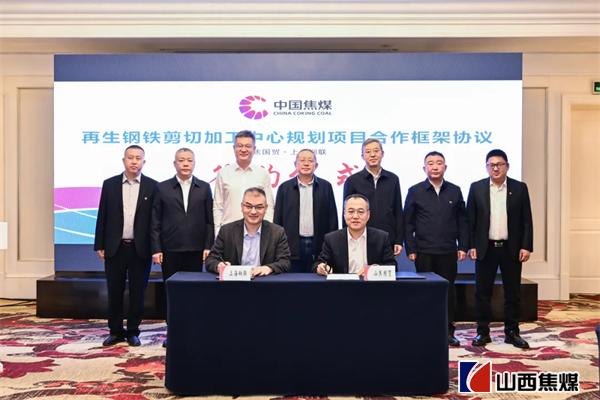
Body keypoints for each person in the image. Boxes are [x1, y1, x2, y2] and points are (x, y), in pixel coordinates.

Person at [467, 149, 533, 349]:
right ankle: (482, 332)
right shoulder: (477, 188)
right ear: (487, 167)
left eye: (499, 164)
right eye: (491, 165)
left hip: (510, 248)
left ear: (507, 166)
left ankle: (512, 332)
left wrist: (526, 246)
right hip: (485, 248)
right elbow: (471, 221)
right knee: (482, 293)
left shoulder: (519, 188)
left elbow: (526, 220)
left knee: (513, 293)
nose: (495, 168)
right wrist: (471, 245)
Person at [94, 145, 157, 347]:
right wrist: (99, 244)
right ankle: (115, 331)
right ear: (124, 160)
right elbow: (102, 215)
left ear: (144, 162)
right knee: (114, 291)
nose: (134, 161)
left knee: (138, 292)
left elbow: (155, 222)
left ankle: (133, 332)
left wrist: (156, 248)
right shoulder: (110, 184)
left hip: (140, 249)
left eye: (138, 158)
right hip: (115, 247)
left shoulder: (152, 186)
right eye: (130, 157)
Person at [404, 151, 469, 347]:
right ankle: (425, 328)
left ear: (445, 167)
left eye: (439, 163)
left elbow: (462, 221)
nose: (434, 166)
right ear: (424, 168)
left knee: (448, 291)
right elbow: (408, 223)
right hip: (423, 251)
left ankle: (448, 330)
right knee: (425, 292)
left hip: (448, 250)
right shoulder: (415, 191)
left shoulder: (455, 191)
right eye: (430, 163)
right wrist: (411, 248)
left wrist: (463, 245)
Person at [151, 147, 214, 280]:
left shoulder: (204, 187)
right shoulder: (162, 187)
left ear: (194, 164)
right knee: (170, 286)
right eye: (181, 160)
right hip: (170, 249)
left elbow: (209, 221)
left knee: (193, 286)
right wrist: (156, 249)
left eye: (189, 161)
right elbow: (155, 221)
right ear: (175, 164)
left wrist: (208, 246)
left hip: (196, 249)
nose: (185, 164)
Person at [274, 149, 338, 272]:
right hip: (291, 245)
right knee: (293, 280)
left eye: (310, 161)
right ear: (295, 164)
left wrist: (331, 245)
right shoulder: (284, 188)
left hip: (319, 245)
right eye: (302, 160)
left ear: (316, 165)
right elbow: (277, 220)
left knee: (317, 279)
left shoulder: (326, 187)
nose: (306, 163)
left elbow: (332, 219)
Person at [205, 187, 291, 276]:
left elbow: (285, 262)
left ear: (266, 208)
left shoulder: (277, 232)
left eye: (259, 207)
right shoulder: (227, 231)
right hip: (235, 282)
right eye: (248, 206)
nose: (253, 212)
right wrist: (219, 265)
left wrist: (269, 268)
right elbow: (211, 259)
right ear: (242, 207)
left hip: (264, 281)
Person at [343, 138, 404, 256]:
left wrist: (398, 240)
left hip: (388, 238)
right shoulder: (352, 181)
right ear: (362, 156)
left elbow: (398, 211)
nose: (372, 155)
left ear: (382, 154)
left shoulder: (393, 179)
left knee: (387, 268)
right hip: (360, 238)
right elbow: (346, 213)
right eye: (368, 152)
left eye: (376, 151)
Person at [315, 194, 396, 275]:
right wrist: (321, 267)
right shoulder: (332, 239)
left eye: (360, 212)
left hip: (370, 282)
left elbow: (392, 266)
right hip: (342, 282)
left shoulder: (381, 238)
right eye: (351, 211)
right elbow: (319, 263)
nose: (355, 216)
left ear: (368, 215)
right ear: (344, 214)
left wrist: (372, 270)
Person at [213, 130, 275, 236]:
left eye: (248, 146)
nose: (243, 149)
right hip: (228, 232)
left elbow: (269, 206)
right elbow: (218, 206)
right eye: (239, 146)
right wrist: (218, 232)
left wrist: (267, 232)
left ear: (254, 149)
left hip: (256, 232)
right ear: (234, 148)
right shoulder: (223, 173)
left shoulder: (262, 173)